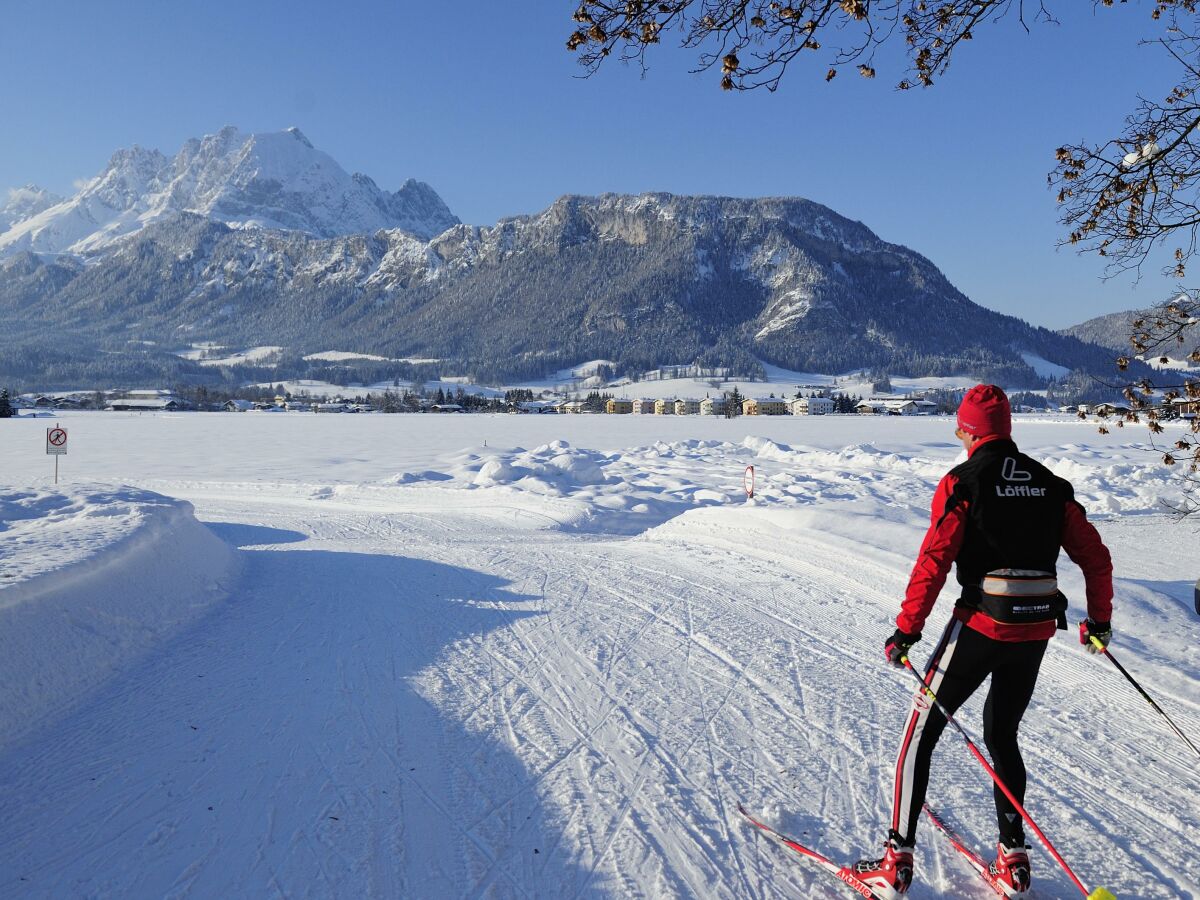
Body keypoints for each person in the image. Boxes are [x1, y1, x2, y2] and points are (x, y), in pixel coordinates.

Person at [854, 384, 1114, 898]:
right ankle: (1013, 861)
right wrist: (1098, 624)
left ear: (969, 431)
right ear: (1008, 429)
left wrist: (907, 630)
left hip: (979, 624)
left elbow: (934, 561)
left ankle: (894, 863)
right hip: (1035, 628)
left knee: (919, 735)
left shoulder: (962, 481)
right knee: (1002, 735)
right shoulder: (1051, 484)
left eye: (960, 428)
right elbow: (1096, 558)